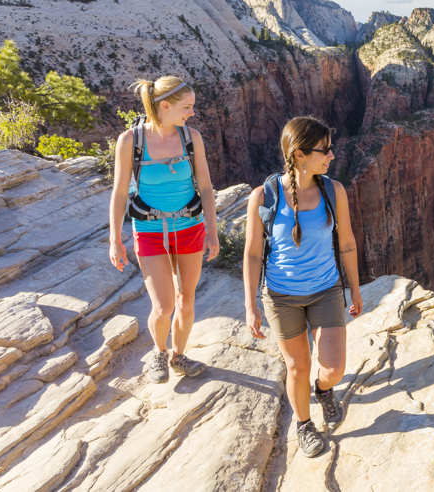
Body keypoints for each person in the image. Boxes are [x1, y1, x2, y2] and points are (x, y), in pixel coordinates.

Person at [242, 116, 362, 458]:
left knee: (334, 367)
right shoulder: (263, 197)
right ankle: (304, 424)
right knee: (298, 367)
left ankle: (324, 390)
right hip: (281, 297)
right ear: (299, 154)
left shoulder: (333, 191)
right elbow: (252, 254)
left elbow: (347, 244)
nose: (332, 156)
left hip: (325, 290)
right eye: (325, 150)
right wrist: (250, 305)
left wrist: (354, 288)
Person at [108, 75, 219, 384]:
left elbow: (207, 187)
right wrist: (115, 240)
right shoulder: (131, 141)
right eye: (187, 107)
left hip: (190, 227)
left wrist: (212, 229)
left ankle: (179, 355)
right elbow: (119, 193)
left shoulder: (191, 138)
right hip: (150, 231)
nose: (192, 113)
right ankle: (159, 351)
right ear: (165, 106)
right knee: (164, 304)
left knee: (186, 300)